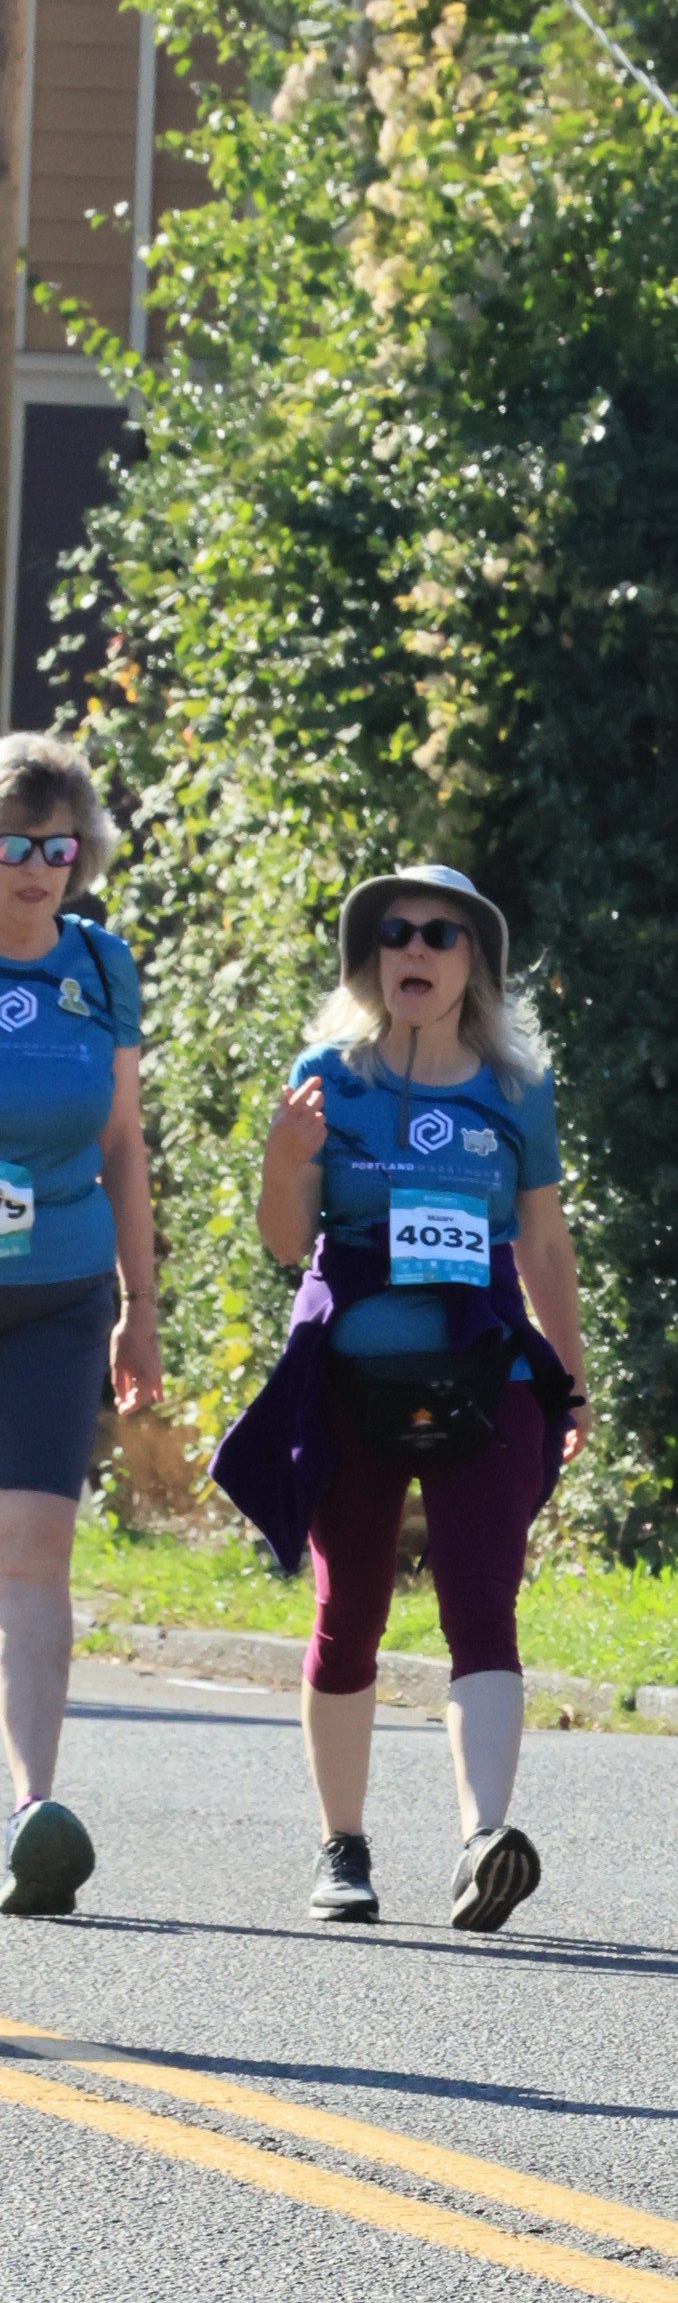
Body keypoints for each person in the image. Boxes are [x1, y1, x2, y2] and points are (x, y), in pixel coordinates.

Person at [226, 864, 586, 1931]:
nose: (414, 950)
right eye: (394, 935)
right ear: (370, 960)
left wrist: (568, 1382)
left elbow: (545, 1242)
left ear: (476, 961)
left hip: (486, 1373)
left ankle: (484, 1843)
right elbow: (287, 1244)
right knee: (351, 1610)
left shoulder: (516, 1087)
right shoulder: (325, 1078)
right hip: (353, 1378)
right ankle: (342, 1849)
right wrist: (283, 1164)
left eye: (439, 934)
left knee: (484, 1601)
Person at [0, 737, 160, 1913]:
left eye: (56, 848)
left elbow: (122, 1147)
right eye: (12, 844)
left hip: (61, 1294)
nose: (34, 869)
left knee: (34, 1550)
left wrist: (139, 1309)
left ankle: (32, 1815)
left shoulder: (100, 966)